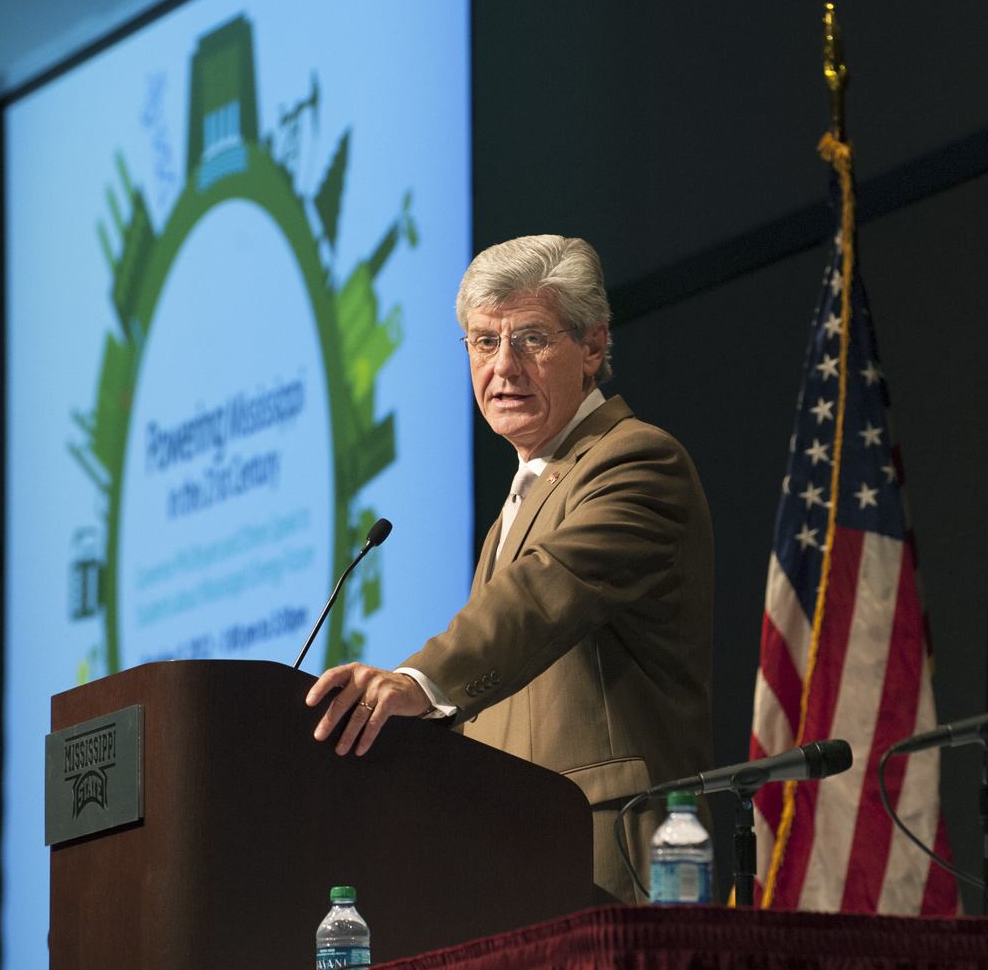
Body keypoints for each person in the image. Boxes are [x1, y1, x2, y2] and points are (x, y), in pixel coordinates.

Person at [303, 235, 713, 903]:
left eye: (530, 338)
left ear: (593, 347)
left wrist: (417, 680)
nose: (504, 367)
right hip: (517, 860)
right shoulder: (514, 508)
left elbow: (541, 597)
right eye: (483, 342)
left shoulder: (638, 461)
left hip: (612, 859)